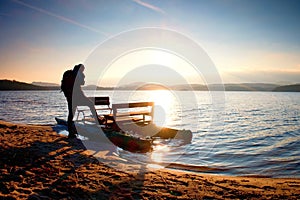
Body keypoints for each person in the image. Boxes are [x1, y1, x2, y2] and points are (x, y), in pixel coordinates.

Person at [62, 64, 100, 138]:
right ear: (81, 68)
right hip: (78, 96)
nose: (83, 70)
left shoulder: (69, 73)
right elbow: (82, 83)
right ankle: (97, 121)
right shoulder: (78, 74)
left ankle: (70, 132)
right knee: (91, 104)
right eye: (83, 69)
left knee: (71, 114)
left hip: (70, 98)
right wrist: (82, 76)